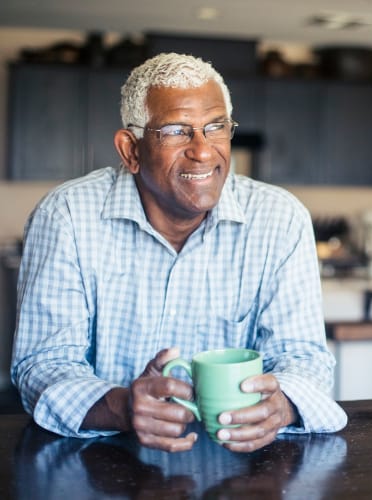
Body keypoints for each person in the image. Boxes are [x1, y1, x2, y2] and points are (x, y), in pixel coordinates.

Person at [11, 53, 347, 453]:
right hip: (102, 465)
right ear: (130, 150)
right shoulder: (66, 216)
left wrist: (284, 405)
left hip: (240, 468)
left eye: (216, 127)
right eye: (176, 131)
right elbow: (42, 365)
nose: (203, 151)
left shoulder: (280, 219)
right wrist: (121, 407)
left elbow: (304, 356)